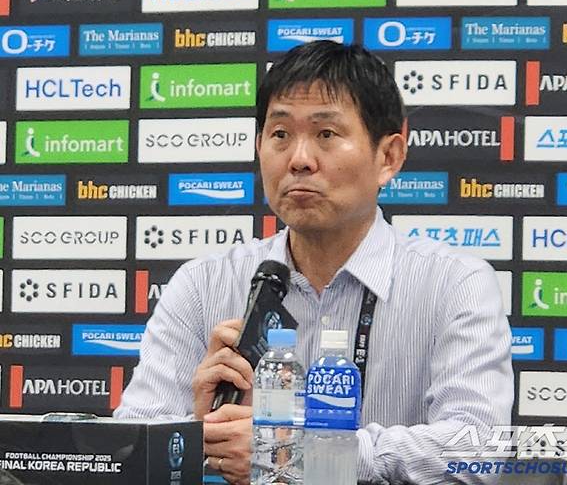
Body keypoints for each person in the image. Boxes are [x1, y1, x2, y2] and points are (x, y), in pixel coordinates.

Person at [114, 41, 513, 485]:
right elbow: (127, 448)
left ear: (389, 157)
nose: (300, 160)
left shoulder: (454, 284)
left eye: (326, 134)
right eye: (280, 135)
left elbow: (476, 450)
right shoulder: (203, 284)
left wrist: (300, 454)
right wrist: (194, 429)